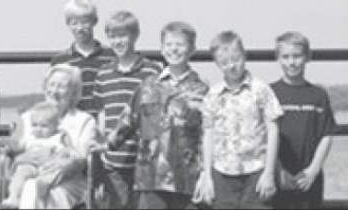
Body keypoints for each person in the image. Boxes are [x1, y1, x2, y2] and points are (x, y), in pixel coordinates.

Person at [111, 21, 209, 209]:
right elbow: (127, 121)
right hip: (150, 176)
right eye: (169, 45)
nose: (174, 50)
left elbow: (208, 135)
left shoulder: (202, 91)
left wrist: (206, 173)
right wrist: (104, 144)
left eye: (180, 45)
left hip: (187, 179)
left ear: (192, 49)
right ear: (162, 49)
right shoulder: (147, 86)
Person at [196, 31, 283, 209]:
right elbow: (208, 135)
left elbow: (273, 130)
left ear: (244, 55)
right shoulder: (213, 94)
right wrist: (207, 175)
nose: (231, 66)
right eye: (224, 63)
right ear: (217, 64)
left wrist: (269, 172)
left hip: (256, 170)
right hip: (222, 172)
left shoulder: (260, 89)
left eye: (236, 59)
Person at [91, 11, 162, 209]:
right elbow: (102, 116)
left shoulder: (152, 71)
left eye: (123, 35)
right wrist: (102, 151)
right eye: (112, 36)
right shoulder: (103, 74)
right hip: (113, 161)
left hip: (143, 160)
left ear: (135, 36)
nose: (118, 41)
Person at [14, 64, 98, 208]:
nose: (54, 91)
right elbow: (15, 153)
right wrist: (25, 158)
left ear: (73, 92)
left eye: (61, 86)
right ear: (45, 87)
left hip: (69, 180)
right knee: (31, 185)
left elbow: (82, 159)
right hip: (30, 172)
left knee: (43, 191)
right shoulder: (28, 118)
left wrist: (62, 163)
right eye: (51, 84)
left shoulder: (84, 120)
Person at [270, 31, 336, 209]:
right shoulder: (269, 93)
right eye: (286, 56)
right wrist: (278, 170)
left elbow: (327, 134)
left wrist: (313, 170)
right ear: (278, 58)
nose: (292, 62)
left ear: (308, 57)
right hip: (277, 175)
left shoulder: (318, 95)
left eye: (297, 56)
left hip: (309, 177)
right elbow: (263, 136)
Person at [0, 101, 74, 209]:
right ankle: (14, 197)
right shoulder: (30, 138)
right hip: (30, 165)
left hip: (48, 167)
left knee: (46, 180)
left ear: (56, 125)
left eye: (44, 126)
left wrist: (65, 155)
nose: (38, 129)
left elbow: (70, 151)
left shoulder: (59, 137)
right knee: (20, 175)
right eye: (34, 125)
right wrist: (8, 146)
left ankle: (41, 200)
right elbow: (19, 147)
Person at [50, 0, 116, 114]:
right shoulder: (60, 61)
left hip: (105, 123)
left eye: (85, 22)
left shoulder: (111, 57)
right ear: (68, 24)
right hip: (74, 126)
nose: (80, 28)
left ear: (94, 21)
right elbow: (55, 99)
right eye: (74, 23)